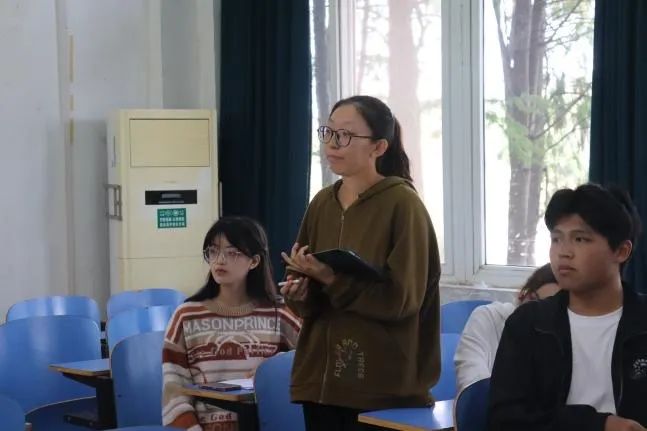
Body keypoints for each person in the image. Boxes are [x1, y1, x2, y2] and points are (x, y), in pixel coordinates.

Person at [280, 95, 442, 431]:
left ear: (379, 147)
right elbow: (306, 297)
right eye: (328, 132)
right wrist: (298, 292)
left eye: (345, 135)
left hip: (381, 388)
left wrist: (332, 278)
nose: (332, 143)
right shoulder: (321, 203)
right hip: (320, 385)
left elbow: (402, 300)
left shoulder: (403, 204)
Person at [488, 183, 647, 431]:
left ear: (621, 251)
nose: (563, 252)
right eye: (556, 239)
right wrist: (599, 425)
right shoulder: (529, 325)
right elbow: (505, 421)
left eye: (580, 239)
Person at [162, 216, 301, 431]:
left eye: (232, 252)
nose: (220, 260)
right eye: (213, 251)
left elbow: (314, 361)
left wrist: (274, 368)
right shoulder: (186, 315)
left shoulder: (279, 312)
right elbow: (173, 394)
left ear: (254, 261)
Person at [454, 263, 559, 394]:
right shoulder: (488, 318)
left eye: (548, 310)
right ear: (522, 294)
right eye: (533, 301)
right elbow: (472, 384)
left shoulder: (561, 341)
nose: (534, 313)